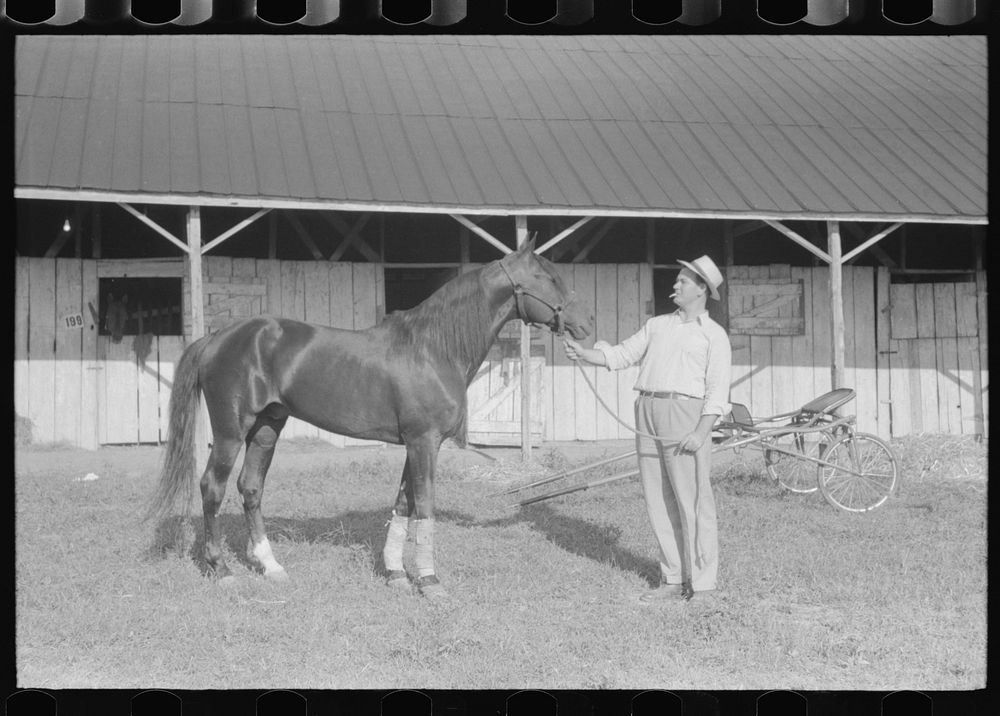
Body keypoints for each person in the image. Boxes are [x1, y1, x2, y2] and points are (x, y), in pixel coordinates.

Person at [564, 255, 732, 603]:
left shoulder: (714, 336)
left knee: (694, 501)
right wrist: (583, 353)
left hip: (686, 413)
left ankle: (703, 584)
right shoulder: (657, 325)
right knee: (658, 499)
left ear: (702, 290)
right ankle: (672, 578)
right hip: (647, 408)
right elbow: (621, 355)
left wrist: (702, 431)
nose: (675, 285)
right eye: (678, 280)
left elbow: (718, 391)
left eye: (683, 281)